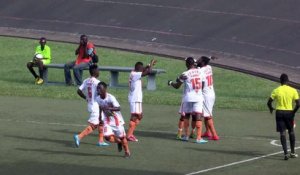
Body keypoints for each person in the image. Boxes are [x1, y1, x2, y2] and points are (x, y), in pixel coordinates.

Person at [168, 57, 208, 144]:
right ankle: (198, 138)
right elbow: (204, 84)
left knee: (186, 116)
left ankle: (186, 136)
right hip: (198, 97)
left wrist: (172, 82)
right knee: (198, 116)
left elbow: (177, 86)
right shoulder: (200, 71)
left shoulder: (185, 74)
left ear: (186, 64)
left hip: (188, 97)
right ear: (193, 63)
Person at [73, 64, 109, 147]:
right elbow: (102, 94)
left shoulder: (86, 80)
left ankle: (100, 140)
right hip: (96, 106)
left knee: (101, 122)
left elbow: (78, 91)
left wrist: (86, 98)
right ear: (95, 71)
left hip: (90, 105)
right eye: (98, 70)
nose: (99, 71)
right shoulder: (97, 82)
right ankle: (79, 136)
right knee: (94, 125)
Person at [267, 73, 299, 160]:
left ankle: (285, 153)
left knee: (282, 133)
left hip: (279, 113)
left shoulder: (276, 90)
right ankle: (292, 152)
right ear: (288, 81)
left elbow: (269, 102)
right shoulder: (293, 90)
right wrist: (293, 112)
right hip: (289, 113)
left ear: (280, 81)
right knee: (291, 131)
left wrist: (271, 108)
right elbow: (298, 104)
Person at [96, 82, 130, 158]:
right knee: (107, 137)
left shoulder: (111, 97)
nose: (98, 90)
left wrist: (108, 108)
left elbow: (118, 108)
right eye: (97, 88)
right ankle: (119, 142)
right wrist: (99, 117)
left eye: (100, 88)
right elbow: (100, 107)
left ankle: (127, 152)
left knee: (122, 137)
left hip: (116, 120)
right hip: (107, 120)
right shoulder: (97, 98)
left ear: (105, 89)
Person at [127, 59, 157, 142]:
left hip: (135, 98)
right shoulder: (136, 74)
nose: (143, 69)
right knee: (135, 116)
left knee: (139, 116)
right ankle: (129, 135)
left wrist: (147, 66)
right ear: (139, 69)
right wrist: (151, 65)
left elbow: (143, 69)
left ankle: (130, 133)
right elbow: (148, 72)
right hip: (135, 98)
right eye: (141, 69)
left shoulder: (133, 72)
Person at [196, 56, 219, 141]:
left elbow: (201, 85)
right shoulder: (209, 67)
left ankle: (215, 135)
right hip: (211, 93)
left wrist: (198, 94)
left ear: (202, 62)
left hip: (205, 95)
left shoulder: (200, 71)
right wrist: (209, 57)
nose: (197, 60)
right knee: (206, 114)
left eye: (199, 60)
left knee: (208, 115)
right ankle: (208, 132)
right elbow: (204, 62)